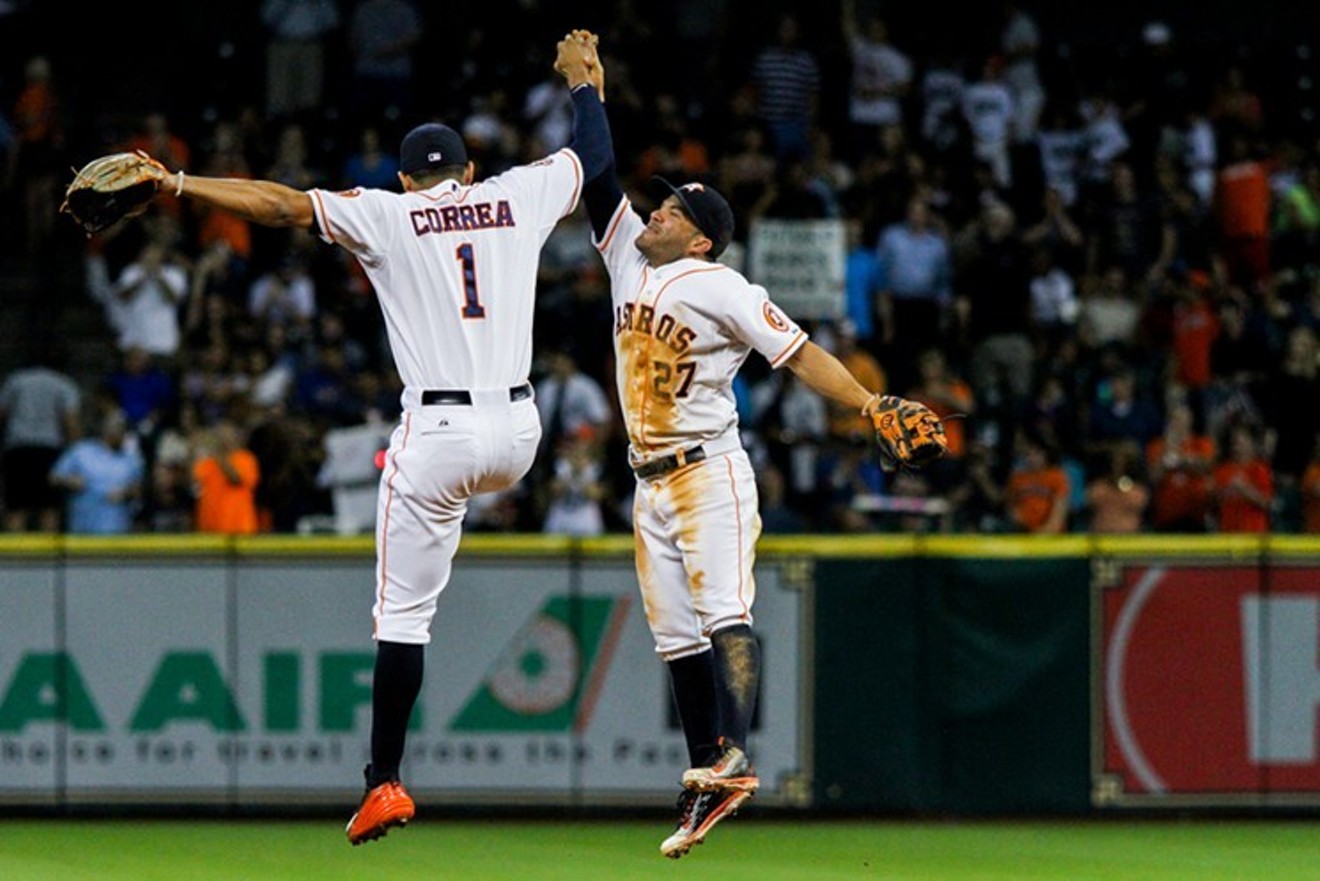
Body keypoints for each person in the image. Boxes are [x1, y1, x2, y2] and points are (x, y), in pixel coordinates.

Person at [127, 34, 610, 844]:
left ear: (406, 177)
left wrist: (179, 180)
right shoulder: (518, 194)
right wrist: (586, 86)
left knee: (403, 616)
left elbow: (281, 204)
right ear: (466, 171)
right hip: (521, 433)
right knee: (434, 550)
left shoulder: (387, 212)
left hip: (442, 430)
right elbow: (592, 156)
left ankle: (382, 780)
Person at [566, 29, 919, 859]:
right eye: (660, 203)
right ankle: (706, 778)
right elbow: (598, 175)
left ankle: (733, 751)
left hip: (707, 471)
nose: (654, 210)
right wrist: (590, 90)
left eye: (673, 209)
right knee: (674, 638)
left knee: (725, 609)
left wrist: (868, 401)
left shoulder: (721, 283)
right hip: (647, 482)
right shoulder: (626, 257)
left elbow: (798, 353)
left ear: (699, 237)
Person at [48, 408, 145, 535]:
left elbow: (140, 490)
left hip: (117, 532)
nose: (123, 432)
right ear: (105, 428)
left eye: (124, 428)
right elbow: (54, 477)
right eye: (119, 427)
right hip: (81, 531)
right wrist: (70, 481)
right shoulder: (80, 451)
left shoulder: (132, 458)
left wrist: (126, 493)